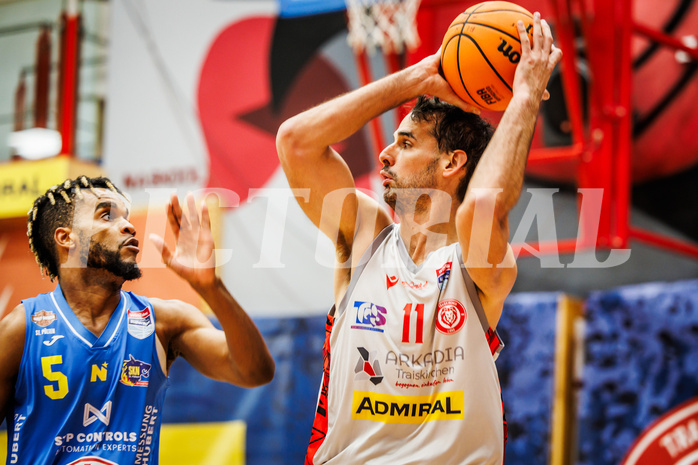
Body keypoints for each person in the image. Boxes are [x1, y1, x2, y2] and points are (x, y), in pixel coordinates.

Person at [276, 13, 561, 465]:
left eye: (406, 144)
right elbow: (295, 142)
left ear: (452, 163)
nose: (386, 154)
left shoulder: (479, 265)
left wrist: (523, 97)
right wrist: (418, 78)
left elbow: (481, 207)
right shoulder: (363, 236)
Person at [0, 176, 275, 464]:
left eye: (126, 217)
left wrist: (211, 288)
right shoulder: (22, 329)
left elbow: (255, 372)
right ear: (66, 238)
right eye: (107, 215)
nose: (128, 226)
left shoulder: (164, 321)